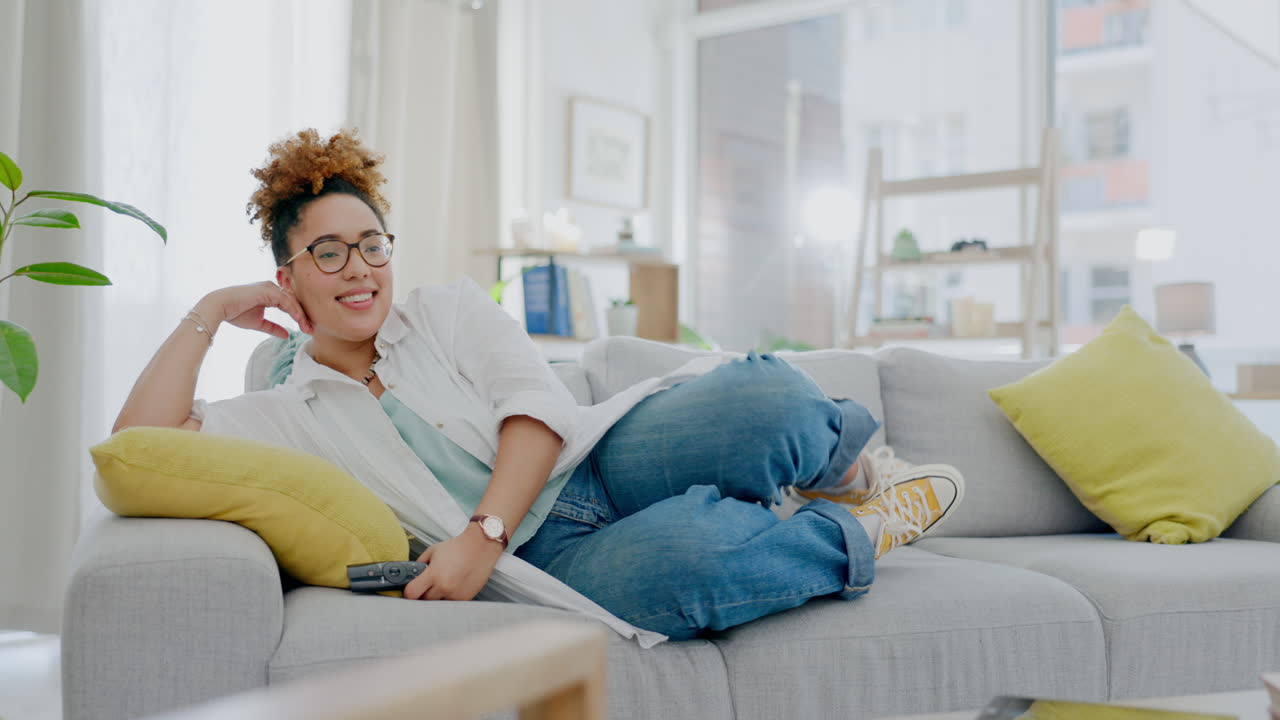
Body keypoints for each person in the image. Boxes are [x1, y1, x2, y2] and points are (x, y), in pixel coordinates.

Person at [112, 128, 966, 646]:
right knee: (691, 568)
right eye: (328, 252)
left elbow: (537, 406)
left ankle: (851, 468)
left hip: (597, 463)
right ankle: (857, 531)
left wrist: (481, 531)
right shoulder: (282, 408)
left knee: (764, 399)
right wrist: (208, 311)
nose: (360, 268)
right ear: (286, 276)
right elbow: (135, 450)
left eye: (372, 243)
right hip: (548, 557)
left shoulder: (444, 311)